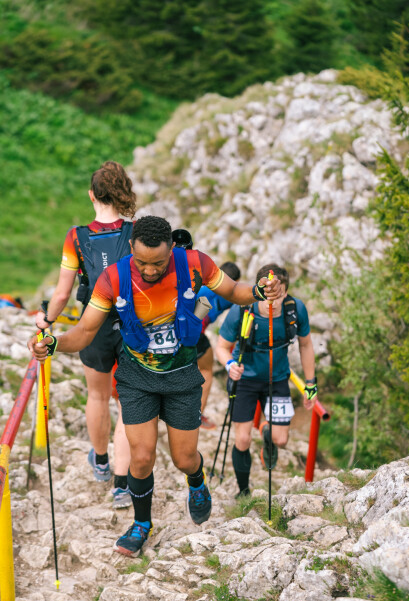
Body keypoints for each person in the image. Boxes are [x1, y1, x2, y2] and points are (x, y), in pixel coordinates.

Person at [28, 216, 282, 557]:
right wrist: (54, 342)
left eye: (158, 264)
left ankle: (196, 480)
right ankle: (141, 524)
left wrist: (259, 291)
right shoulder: (113, 277)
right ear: (131, 247)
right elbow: (86, 331)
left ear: (172, 250)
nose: (149, 271)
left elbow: (234, 292)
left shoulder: (194, 263)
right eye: (142, 262)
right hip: (137, 378)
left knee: (184, 458)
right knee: (142, 457)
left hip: (181, 377)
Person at [35, 161, 134, 508]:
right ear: (121, 192)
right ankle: (122, 485)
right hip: (131, 325)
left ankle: (103, 463)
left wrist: (45, 321)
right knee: (128, 402)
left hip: (93, 325)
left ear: (91, 195)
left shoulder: (76, 237)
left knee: (97, 395)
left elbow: (61, 294)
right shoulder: (135, 233)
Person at [215, 264, 317, 498]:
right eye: (267, 293)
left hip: (278, 378)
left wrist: (310, 384)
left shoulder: (295, 309)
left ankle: (267, 433)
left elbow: (306, 344)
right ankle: (244, 491)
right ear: (259, 289)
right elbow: (221, 346)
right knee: (242, 438)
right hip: (246, 380)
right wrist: (229, 365)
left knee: (281, 440)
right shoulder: (242, 309)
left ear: (286, 291)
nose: (273, 300)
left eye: (278, 294)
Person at [196, 261, 241, 429]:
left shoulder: (204, 286)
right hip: (192, 334)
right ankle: (197, 415)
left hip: (177, 331)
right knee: (206, 369)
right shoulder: (223, 294)